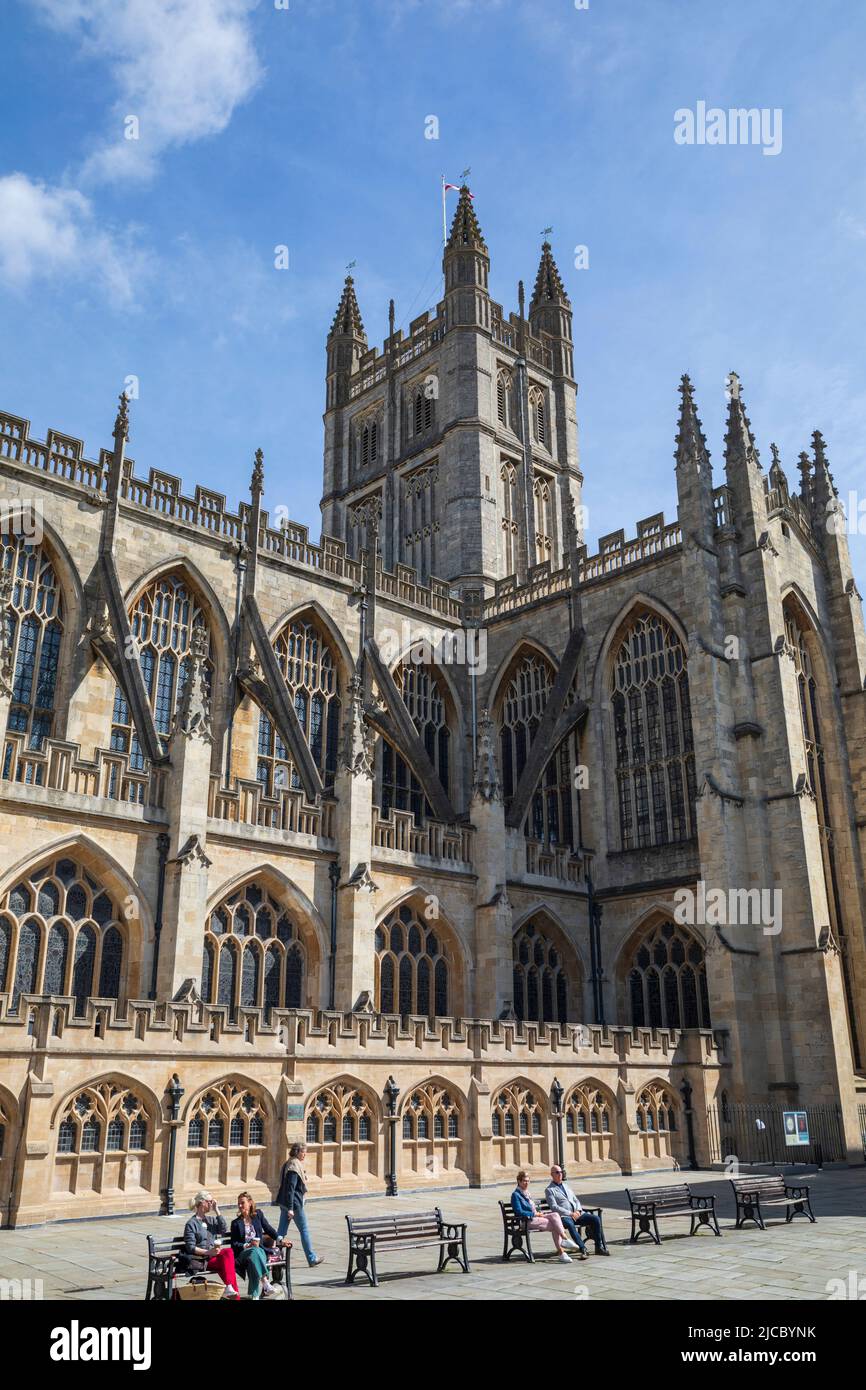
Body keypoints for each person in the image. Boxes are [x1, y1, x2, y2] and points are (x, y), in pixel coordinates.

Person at [510, 1170, 580, 1262]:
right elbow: (519, 1212)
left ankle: (564, 1241)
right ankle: (562, 1251)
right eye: (524, 1181)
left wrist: (539, 1214)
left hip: (536, 1218)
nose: (526, 1183)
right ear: (519, 1181)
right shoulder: (516, 1195)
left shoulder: (526, 1193)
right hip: (526, 1221)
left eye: (528, 1181)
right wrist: (535, 1214)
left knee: (555, 1215)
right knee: (555, 1225)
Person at [181, 1190, 240, 1298]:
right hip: (201, 1260)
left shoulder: (211, 1220)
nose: (211, 1204)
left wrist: (217, 1210)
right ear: (202, 1202)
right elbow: (190, 1247)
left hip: (213, 1257)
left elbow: (223, 1230)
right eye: (210, 1201)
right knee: (227, 1262)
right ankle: (230, 1288)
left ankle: (230, 1288)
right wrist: (208, 1252)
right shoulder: (191, 1223)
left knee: (228, 1255)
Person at [230, 1191, 288, 1299]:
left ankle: (255, 1295)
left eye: (242, 1203)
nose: (240, 1205)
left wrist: (280, 1240)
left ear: (250, 1203)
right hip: (243, 1253)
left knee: (254, 1258)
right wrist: (246, 1246)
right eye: (239, 1203)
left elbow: (269, 1229)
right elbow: (234, 1244)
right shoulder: (235, 1223)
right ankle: (265, 1282)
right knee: (253, 1252)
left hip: (258, 1251)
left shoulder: (258, 1215)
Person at [276, 1142, 325, 1268]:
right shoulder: (293, 1166)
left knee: (281, 1231)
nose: (305, 1154)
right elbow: (290, 1189)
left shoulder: (290, 1162)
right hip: (294, 1204)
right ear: (297, 1152)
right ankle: (311, 1257)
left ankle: (275, 1256)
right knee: (304, 1230)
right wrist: (291, 1208)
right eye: (303, 1152)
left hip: (285, 1203)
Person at [545, 1165, 608, 1255]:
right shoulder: (549, 1190)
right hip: (565, 1216)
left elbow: (576, 1200)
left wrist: (578, 1211)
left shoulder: (566, 1186)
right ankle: (583, 1248)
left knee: (595, 1219)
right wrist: (570, 1214)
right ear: (552, 1175)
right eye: (557, 1172)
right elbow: (554, 1207)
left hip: (577, 1213)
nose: (560, 1174)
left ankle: (598, 1247)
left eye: (561, 1172)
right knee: (570, 1225)